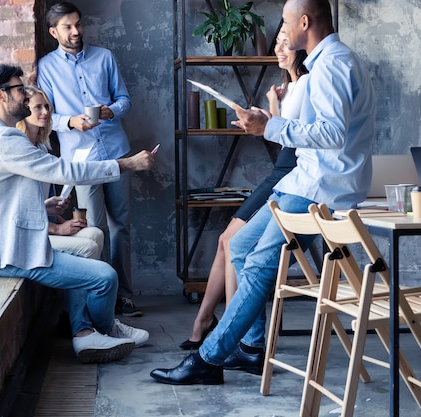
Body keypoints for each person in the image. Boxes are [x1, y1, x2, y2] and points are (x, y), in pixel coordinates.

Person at [151, 0, 376, 385]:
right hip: (305, 182)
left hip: (319, 190)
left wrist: (269, 128)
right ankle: (253, 348)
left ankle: (208, 359)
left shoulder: (333, 64)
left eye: (288, 21)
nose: (284, 28)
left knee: (256, 266)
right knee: (238, 248)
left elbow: (332, 134)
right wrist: (269, 122)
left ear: (305, 22)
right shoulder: (327, 62)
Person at [0, 64, 155, 364]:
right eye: (20, 90)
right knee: (105, 277)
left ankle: (84, 333)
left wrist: (43, 208)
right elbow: (63, 169)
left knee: (85, 253)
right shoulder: (5, 139)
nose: (26, 98)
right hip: (8, 254)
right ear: (0, 95)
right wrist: (125, 165)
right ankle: (106, 330)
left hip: (5, 246)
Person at [180, 36, 308, 351]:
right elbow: (283, 137)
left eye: (286, 43)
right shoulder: (291, 86)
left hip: (292, 176)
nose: (278, 49)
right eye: (276, 43)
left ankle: (220, 326)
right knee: (228, 241)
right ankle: (210, 322)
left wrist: (271, 112)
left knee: (230, 242)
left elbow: (292, 139)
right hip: (280, 171)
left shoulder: (306, 85)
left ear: (302, 47)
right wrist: (274, 106)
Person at [37, 2, 142, 317]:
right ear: (54, 32)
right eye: (68, 27)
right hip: (79, 162)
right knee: (92, 229)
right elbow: (46, 115)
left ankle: (123, 294)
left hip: (116, 150)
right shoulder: (46, 67)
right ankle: (101, 298)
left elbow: (125, 99)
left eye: (78, 24)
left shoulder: (104, 58)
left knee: (121, 225)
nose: (76, 31)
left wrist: (113, 110)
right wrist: (71, 122)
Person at [16, 86, 104, 260]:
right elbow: (19, 209)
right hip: (27, 235)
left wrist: (63, 221)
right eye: (38, 107)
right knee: (88, 247)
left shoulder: (41, 148)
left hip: (44, 225)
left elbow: (40, 203)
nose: (45, 112)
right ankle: (85, 284)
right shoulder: (20, 150)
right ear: (25, 111)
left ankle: (80, 285)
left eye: (47, 106)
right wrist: (57, 229)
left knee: (95, 233)